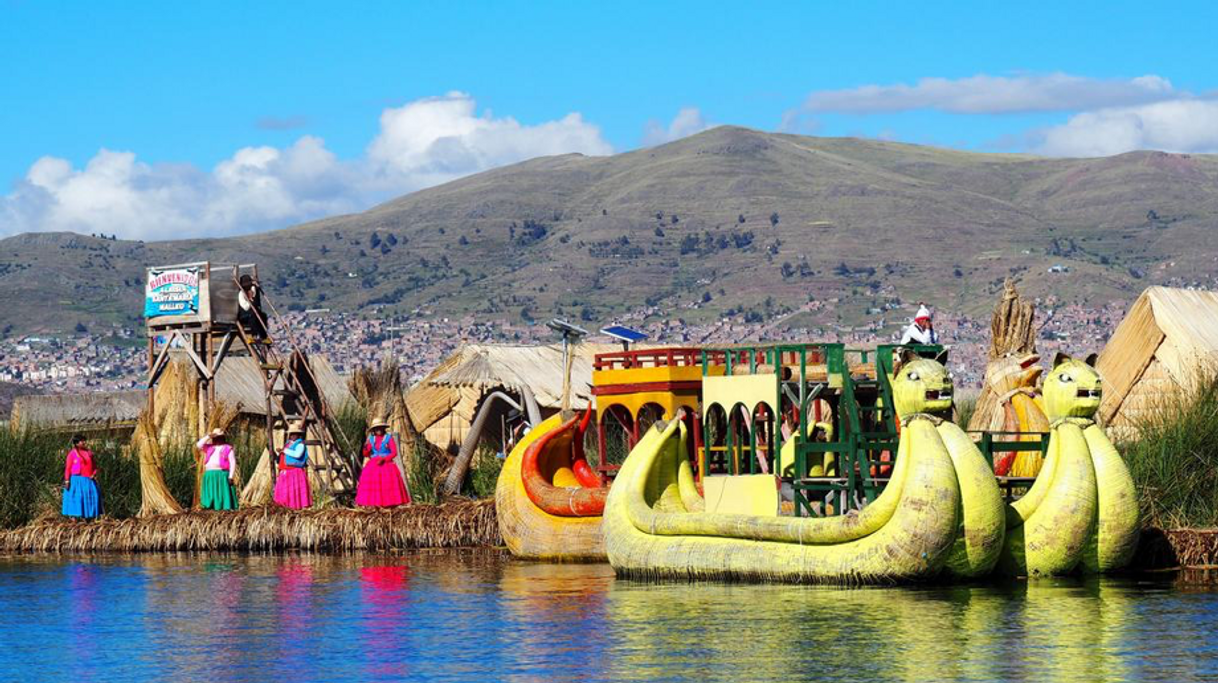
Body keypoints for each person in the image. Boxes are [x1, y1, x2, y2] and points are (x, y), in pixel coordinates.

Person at [355, 417, 411, 508]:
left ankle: (388, 505)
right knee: (373, 486)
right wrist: (365, 448)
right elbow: (366, 454)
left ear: (383, 428)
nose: (379, 430)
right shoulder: (371, 439)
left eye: (380, 427)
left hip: (386, 465)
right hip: (373, 465)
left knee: (386, 484)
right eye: (376, 428)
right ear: (373, 430)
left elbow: (394, 452)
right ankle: (375, 505)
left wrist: (384, 459)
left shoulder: (388, 438)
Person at [197, 428, 239, 511]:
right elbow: (199, 445)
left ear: (223, 438)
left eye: (219, 437)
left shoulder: (227, 448)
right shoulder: (209, 448)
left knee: (222, 492)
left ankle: (224, 507)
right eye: (215, 437)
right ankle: (209, 506)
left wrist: (231, 476)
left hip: (222, 474)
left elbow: (232, 462)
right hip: (209, 474)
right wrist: (208, 436)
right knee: (210, 492)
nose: (217, 439)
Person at [62, 434, 102, 520]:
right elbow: (68, 468)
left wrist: (94, 474)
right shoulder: (72, 454)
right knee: (76, 499)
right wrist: (67, 481)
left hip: (88, 480)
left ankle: (88, 518)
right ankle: (73, 519)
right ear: (76, 443)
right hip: (76, 480)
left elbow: (95, 466)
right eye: (82, 441)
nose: (84, 442)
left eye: (84, 440)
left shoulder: (89, 453)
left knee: (91, 498)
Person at [274, 421, 312, 510]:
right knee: (285, 491)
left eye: (295, 434)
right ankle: (285, 507)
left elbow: (297, 454)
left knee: (293, 491)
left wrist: (284, 451)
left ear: (299, 435)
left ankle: (295, 507)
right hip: (285, 471)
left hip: (294, 471)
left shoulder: (300, 445)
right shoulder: (288, 444)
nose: (293, 436)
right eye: (291, 434)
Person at [237, 274, 269, 343]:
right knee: (253, 316)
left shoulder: (252, 292)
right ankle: (254, 335)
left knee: (263, 315)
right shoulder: (241, 294)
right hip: (244, 315)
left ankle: (264, 336)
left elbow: (255, 301)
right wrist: (251, 301)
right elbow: (245, 307)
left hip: (253, 313)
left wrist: (253, 297)